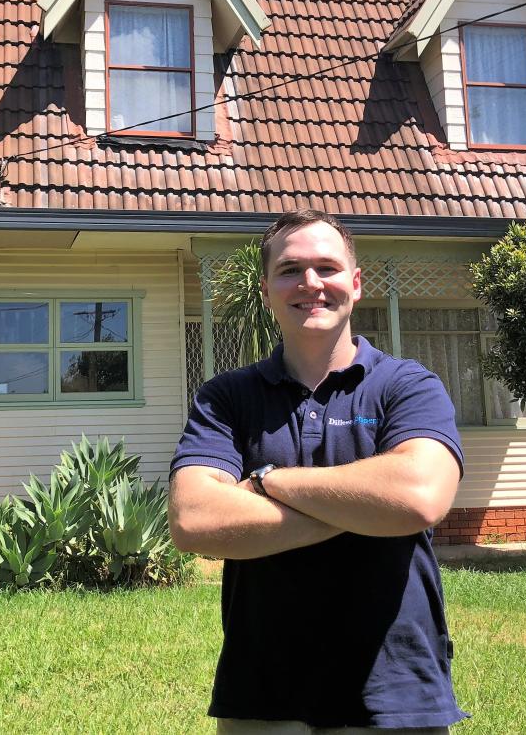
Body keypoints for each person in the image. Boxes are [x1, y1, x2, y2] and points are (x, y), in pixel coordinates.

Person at [168, 209, 469, 734]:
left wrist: (267, 481)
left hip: (394, 689)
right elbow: (194, 519)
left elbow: (418, 496)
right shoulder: (227, 398)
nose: (310, 283)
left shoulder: (408, 385)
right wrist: (369, 509)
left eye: (327, 267)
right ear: (266, 290)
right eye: (290, 270)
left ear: (355, 283)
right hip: (262, 692)